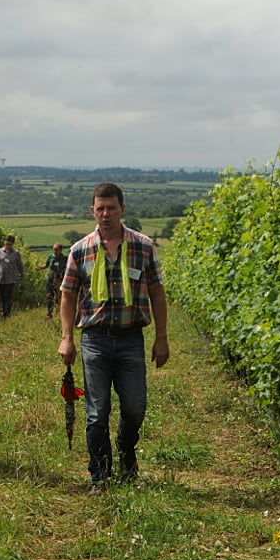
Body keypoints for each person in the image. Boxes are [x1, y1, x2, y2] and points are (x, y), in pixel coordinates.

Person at [57, 183, 169, 488]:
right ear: (92, 211)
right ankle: (100, 475)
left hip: (131, 338)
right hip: (95, 339)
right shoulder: (80, 250)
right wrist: (67, 337)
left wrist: (162, 338)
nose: (106, 214)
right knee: (97, 412)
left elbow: (157, 293)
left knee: (134, 407)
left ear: (122, 209)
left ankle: (125, 448)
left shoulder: (143, 246)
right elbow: (68, 295)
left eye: (112, 208)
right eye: (100, 208)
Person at [0, 234, 24, 318]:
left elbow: (20, 266)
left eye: (9, 244)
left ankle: (7, 314)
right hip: (0, 278)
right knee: (2, 296)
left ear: (13, 244)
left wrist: (21, 277)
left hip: (10, 279)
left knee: (7, 296)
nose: (8, 246)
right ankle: (4, 312)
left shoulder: (16, 253)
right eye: (6, 244)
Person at [35, 242, 66, 319]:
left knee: (59, 297)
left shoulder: (65, 258)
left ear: (60, 250)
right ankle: (49, 313)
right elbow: (46, 265)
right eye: (54, 250)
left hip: (59, 280)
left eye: (56, 250)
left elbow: (68, 268)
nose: (55, 251)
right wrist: (40, 267)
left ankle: (60, 312)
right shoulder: (50, 256)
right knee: (49, 296)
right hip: (50, 279)